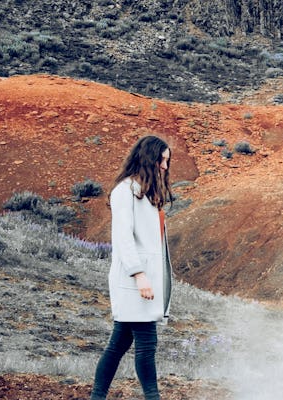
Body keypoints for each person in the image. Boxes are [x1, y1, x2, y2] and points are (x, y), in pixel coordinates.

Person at [91, 135, 174, 400]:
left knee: (118, 345)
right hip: (134, 280)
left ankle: (97, 396)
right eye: (161, 160)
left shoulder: (147, 193)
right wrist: (139, 275)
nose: (164, 167)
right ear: (148, 159)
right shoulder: (124, 192)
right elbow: (123, 237)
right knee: (146, 345)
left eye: (167, 161)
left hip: (144, 280)